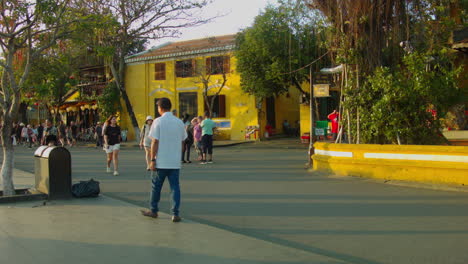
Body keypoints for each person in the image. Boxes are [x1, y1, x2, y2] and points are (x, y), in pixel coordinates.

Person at [140, 97, 186, 223]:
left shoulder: (158, 121)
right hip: (174, 162)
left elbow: (155, 141)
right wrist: (177, 156)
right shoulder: (179, 122)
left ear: (160, 108)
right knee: (175, 187)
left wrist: (152, 159)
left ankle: (153, 210)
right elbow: (183, 143)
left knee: (156, 187)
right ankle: (175, 213)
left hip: (161, 161)